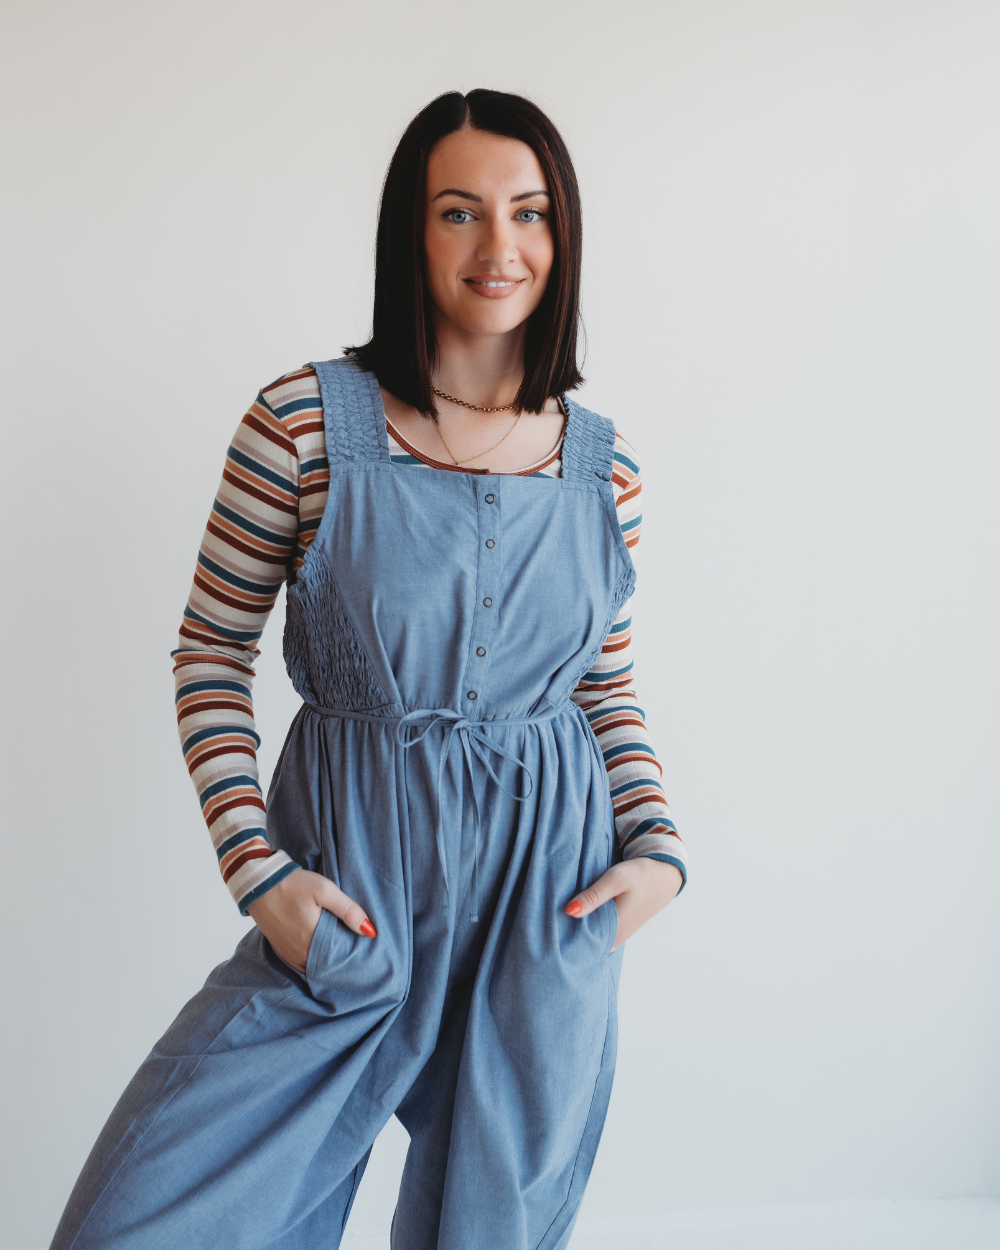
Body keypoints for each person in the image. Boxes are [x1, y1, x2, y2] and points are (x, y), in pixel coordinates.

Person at [50, 89, 687, 1250]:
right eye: (460, 212)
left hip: (540, 914)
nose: (501, 247)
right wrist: (259, 872)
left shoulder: (608, 472)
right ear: (411, 229)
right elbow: (209, 650)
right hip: (350, 899)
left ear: (564, 232)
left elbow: (603, 688)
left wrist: (659, 853)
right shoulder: (298, 423)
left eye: (530, 212)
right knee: (142, 1221)